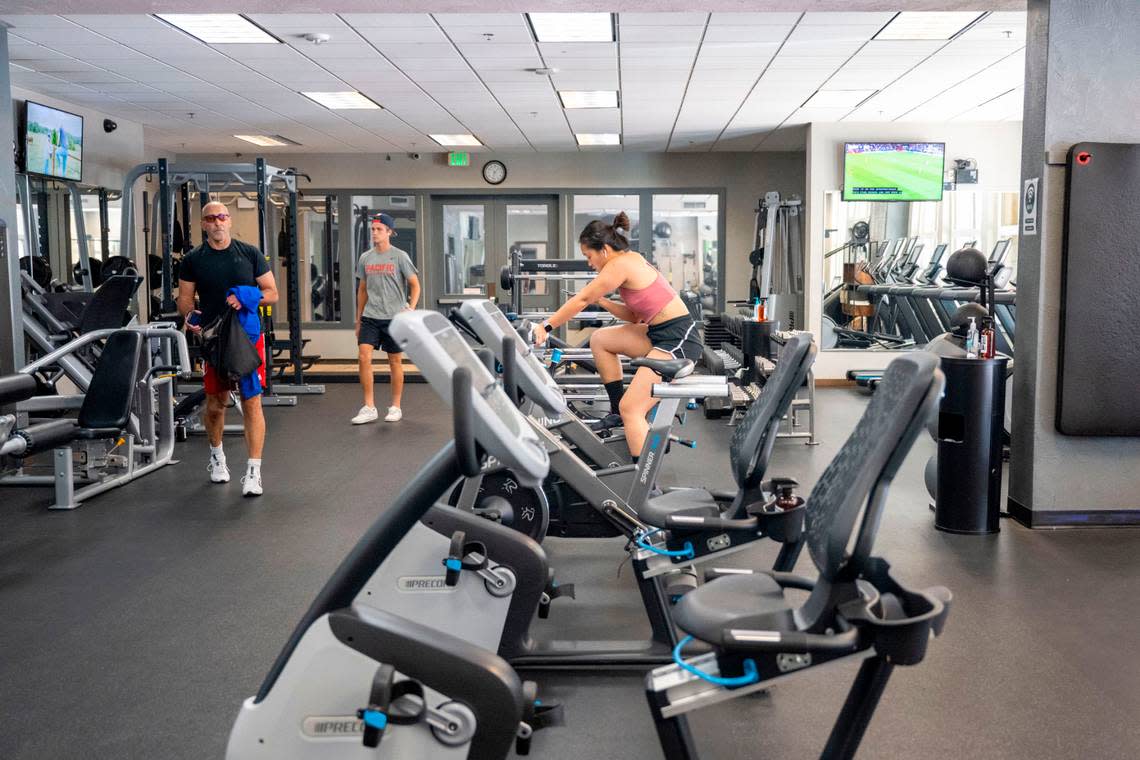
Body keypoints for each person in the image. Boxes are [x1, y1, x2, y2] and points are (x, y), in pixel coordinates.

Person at [533, 212, 701, 457]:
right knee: (601, 339)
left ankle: (644, 487)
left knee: (632, 409)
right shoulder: (628, 260)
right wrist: (603, 302)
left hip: (678, 339)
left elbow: (582, 298)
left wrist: (545, 326)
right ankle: (615, 410)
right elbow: (634, 317)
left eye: (588, 256)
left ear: (603, 250)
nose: (589, 263)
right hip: (658, 332)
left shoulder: (619, 264)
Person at [177, 201, 278, 497]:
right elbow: (185, 297)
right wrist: (189, 318)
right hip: (213, 338)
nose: (217, 222)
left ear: (229, 221)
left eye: (222, 217)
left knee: (251, 402)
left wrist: (246, 298)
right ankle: (217, 456)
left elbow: (272, 293)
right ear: (204, 224)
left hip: (246, 337)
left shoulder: (249, 254)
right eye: (211, 218)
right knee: (216, 404)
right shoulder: (193, 259)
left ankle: (254, 471)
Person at [351, 213, 420, 424]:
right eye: (372, 229)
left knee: (395, 361)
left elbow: (415, 285)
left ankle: (396, 406)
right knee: (364, 356)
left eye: (379, 229)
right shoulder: (365, 258)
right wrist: (358, 318)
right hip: (371, 316)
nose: (374, 232)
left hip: (394, 318)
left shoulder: (400, 256)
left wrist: (410, 308)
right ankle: (369, 407)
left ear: (389, 232)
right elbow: (362, 290)